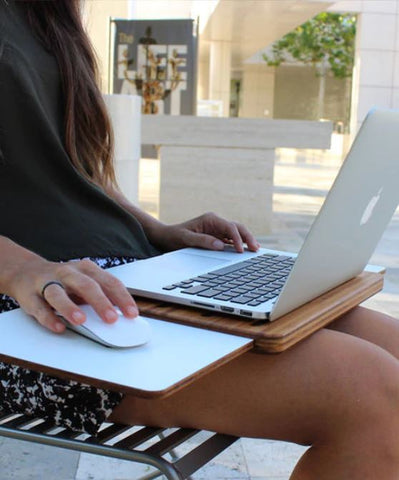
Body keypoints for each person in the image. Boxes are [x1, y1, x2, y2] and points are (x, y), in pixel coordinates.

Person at [0, 1, 399, 478]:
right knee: (371, 393)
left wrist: (158, 230)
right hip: (36, 309)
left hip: (123, 274)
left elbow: (75, 171)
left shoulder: (48, 14)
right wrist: (21, 269)